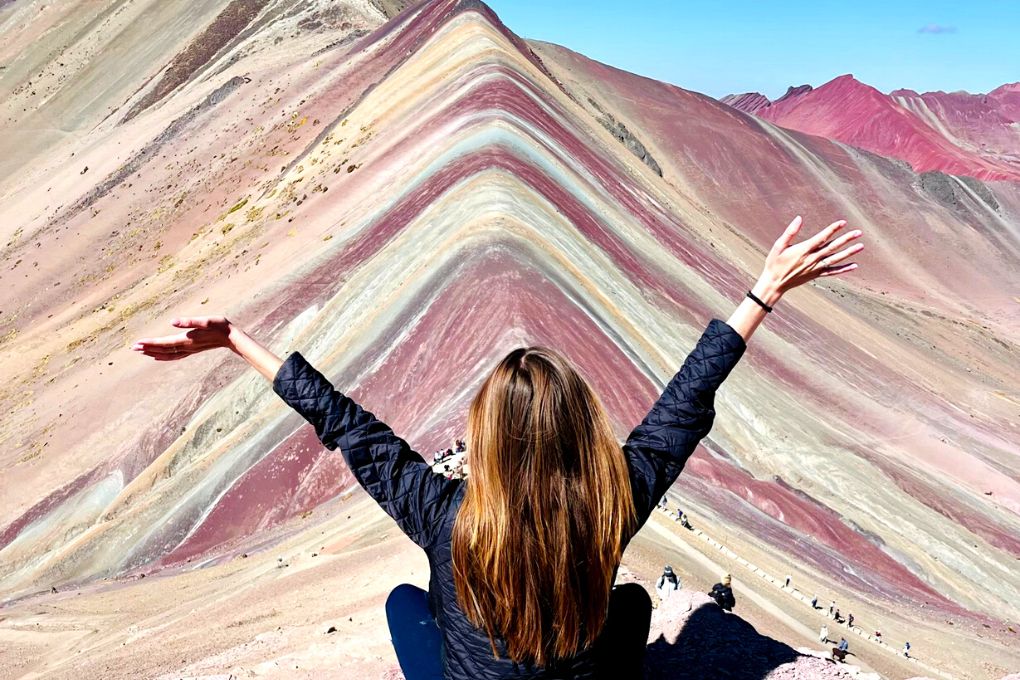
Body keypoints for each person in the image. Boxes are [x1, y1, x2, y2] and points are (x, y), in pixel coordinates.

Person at [131, 216, 863, 680]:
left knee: (402, 602)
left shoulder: (444, 514)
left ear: (486, 438)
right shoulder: (610, 504)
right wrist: (761, 294)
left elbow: (350, 429)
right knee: (636, 602)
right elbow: (681, 409)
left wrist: (235, 342)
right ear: (579, 429)